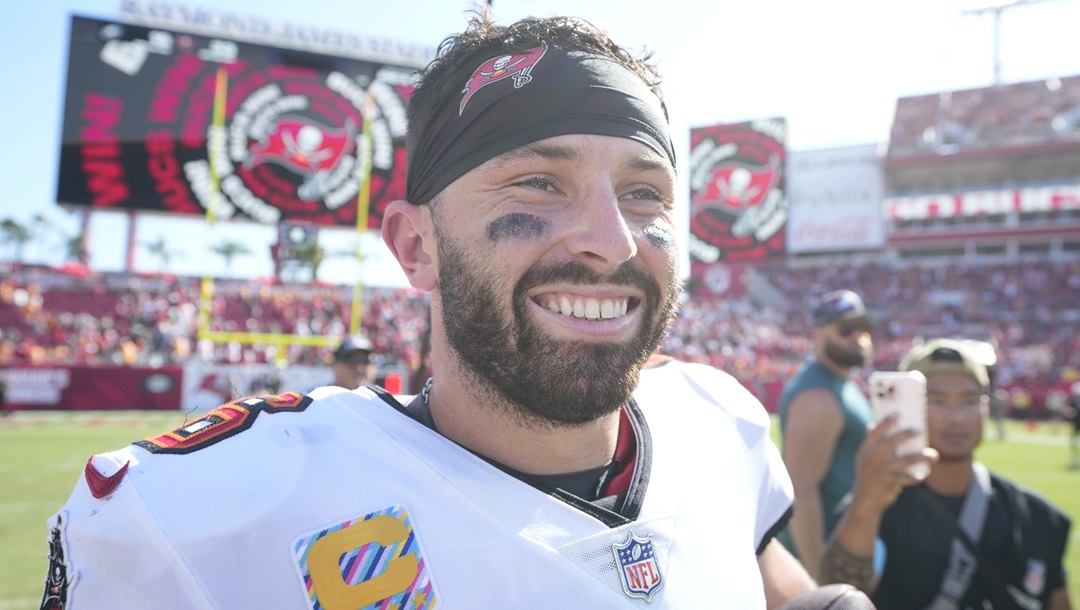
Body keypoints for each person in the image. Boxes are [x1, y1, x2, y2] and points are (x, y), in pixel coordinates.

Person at [40, 13, 871, 609]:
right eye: (539, 182)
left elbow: (756, 582)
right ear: (415, 246)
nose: (613, 241)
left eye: (645, 193)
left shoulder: (716, 423)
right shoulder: (201, 516)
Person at [820, 338, 1072, 610]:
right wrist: (866, 504)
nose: (956, 417)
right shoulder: (876, 507)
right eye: (936, 401)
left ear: (986, 407)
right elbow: (840, 594)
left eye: (969, 400)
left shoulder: (1036, 517)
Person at [776, 289, 875, 580]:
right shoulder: (818, 395)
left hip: (844, 545)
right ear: (818, 333)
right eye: (846, 329)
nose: (858, 336)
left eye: (863, 328)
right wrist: (819, 577)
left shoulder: (840, 382)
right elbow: (802, 491)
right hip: (818, 554)